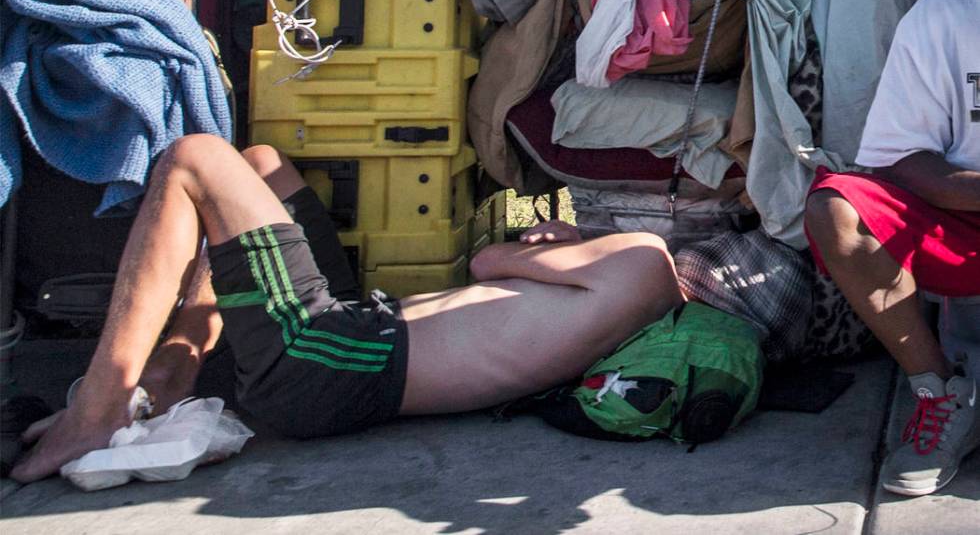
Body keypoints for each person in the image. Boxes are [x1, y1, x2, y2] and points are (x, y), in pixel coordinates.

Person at [10, 136, 684, 483]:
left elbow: (490, 261)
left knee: (196, 159)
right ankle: (177, 365)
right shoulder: (638, 286)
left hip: (332, 360)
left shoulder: (646, 261)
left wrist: (561, 239)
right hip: (357, 337)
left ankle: (97, 410)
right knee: (262, 164)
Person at [805, 0, 980, 497]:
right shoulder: (947, 11)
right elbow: (902, 158)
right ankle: (941, 390)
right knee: (839, 210)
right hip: (964, 219)